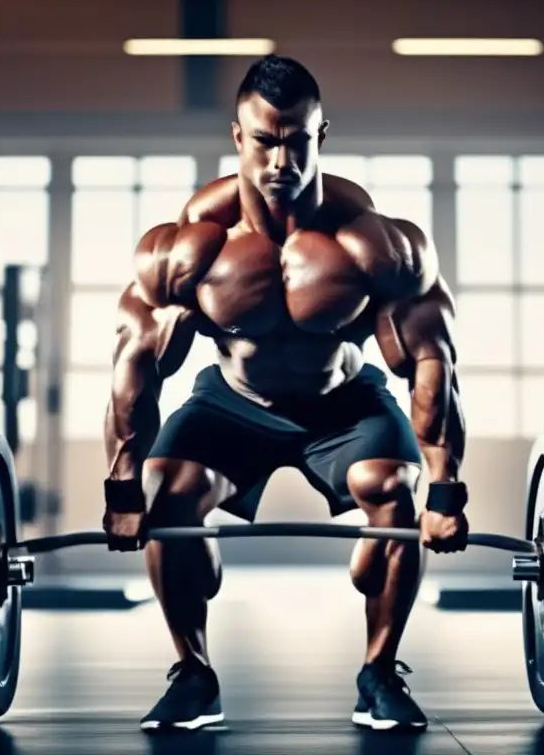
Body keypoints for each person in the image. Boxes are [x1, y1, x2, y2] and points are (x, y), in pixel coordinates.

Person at [102, 54, 468, 733]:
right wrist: (124, 491)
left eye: (296, 140)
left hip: (342, 402)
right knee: (168, 495)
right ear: (238, 137)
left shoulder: (374, 247)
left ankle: (380, 670)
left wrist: (443, 493)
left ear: (322, 135)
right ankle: (192, 671)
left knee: (393, 491)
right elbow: (135, 362)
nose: (280, 161)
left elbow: (432, 358)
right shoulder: (189, 250)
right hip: (232, 401)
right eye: (264, 141)